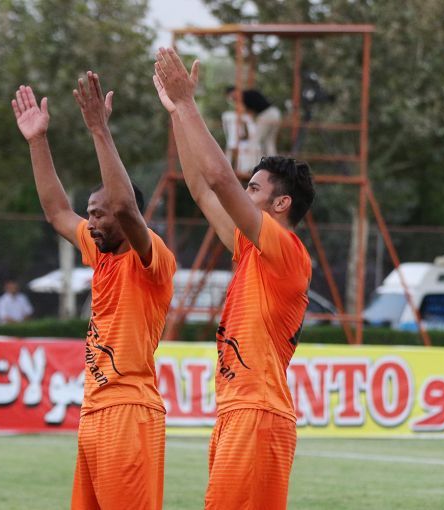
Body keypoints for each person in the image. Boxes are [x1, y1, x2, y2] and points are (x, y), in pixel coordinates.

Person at [153, 48, 314, 509]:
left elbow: (221, 180)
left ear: (281, 204)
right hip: (239, 410)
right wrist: (177, 115)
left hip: (257, 413)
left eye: (255, 188)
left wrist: (189, 104)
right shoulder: (251, 249)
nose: (245, 192)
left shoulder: (287, 250)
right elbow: (202, 189)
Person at [12, 75, 175, 510]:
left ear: (128, 218)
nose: (93, 222)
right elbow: (56, 212)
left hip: (130, 411)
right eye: (91, 214)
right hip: (95, 410)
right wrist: (37, 141)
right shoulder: (99, 251)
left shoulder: (151, 257)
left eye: (100, 215)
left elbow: (123, 205)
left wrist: (99, 130)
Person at [225, 86, 282, 158]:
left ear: (235, 92)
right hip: (275, 113)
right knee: (269, 141)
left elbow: (246, 113)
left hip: (266, 115)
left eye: (232, 95)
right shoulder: (250, 93)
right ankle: (273, 161)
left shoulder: (244, 97)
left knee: (255, 141)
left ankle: (256, 162)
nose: (233, 98)